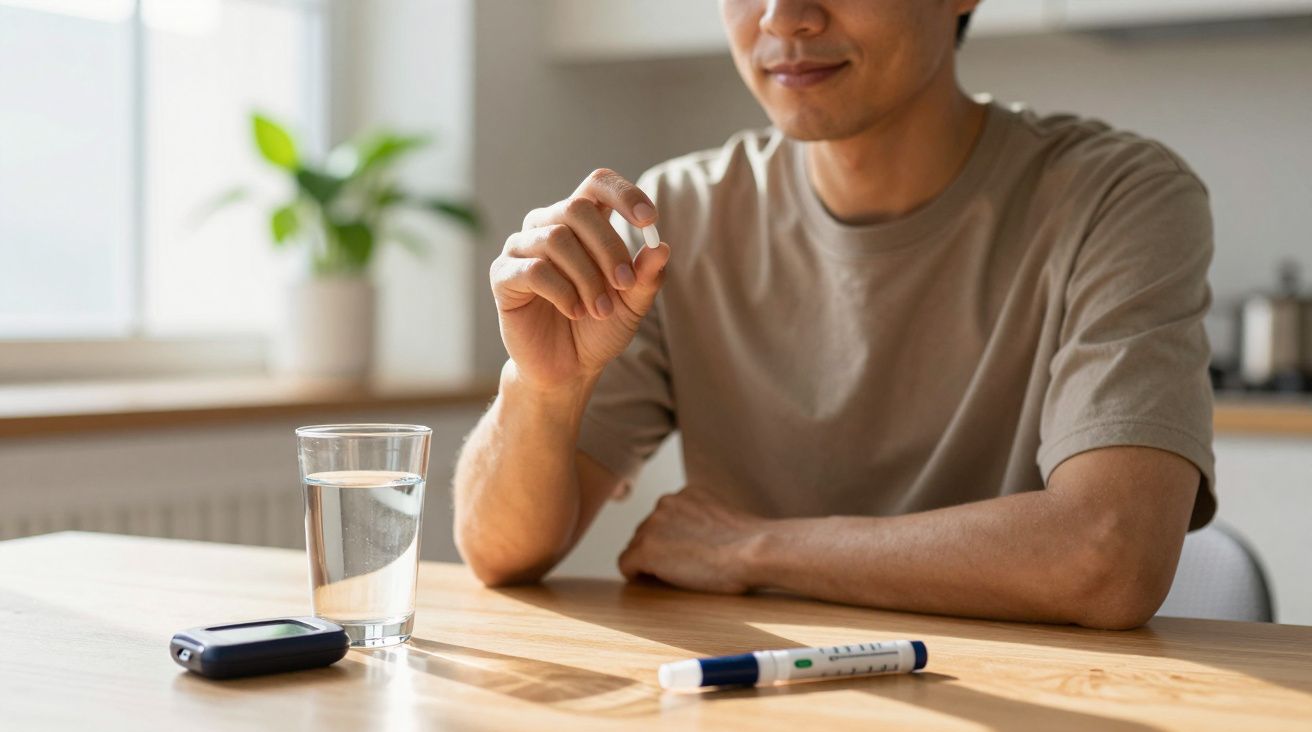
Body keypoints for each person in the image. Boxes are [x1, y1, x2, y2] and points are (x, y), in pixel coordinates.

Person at [453, 0, 1215, 630]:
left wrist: (752, 550)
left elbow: (1108, 557)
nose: (784, 18)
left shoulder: (1117, 197)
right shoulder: (677, 216)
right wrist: (541, 387)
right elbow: (499, 552)